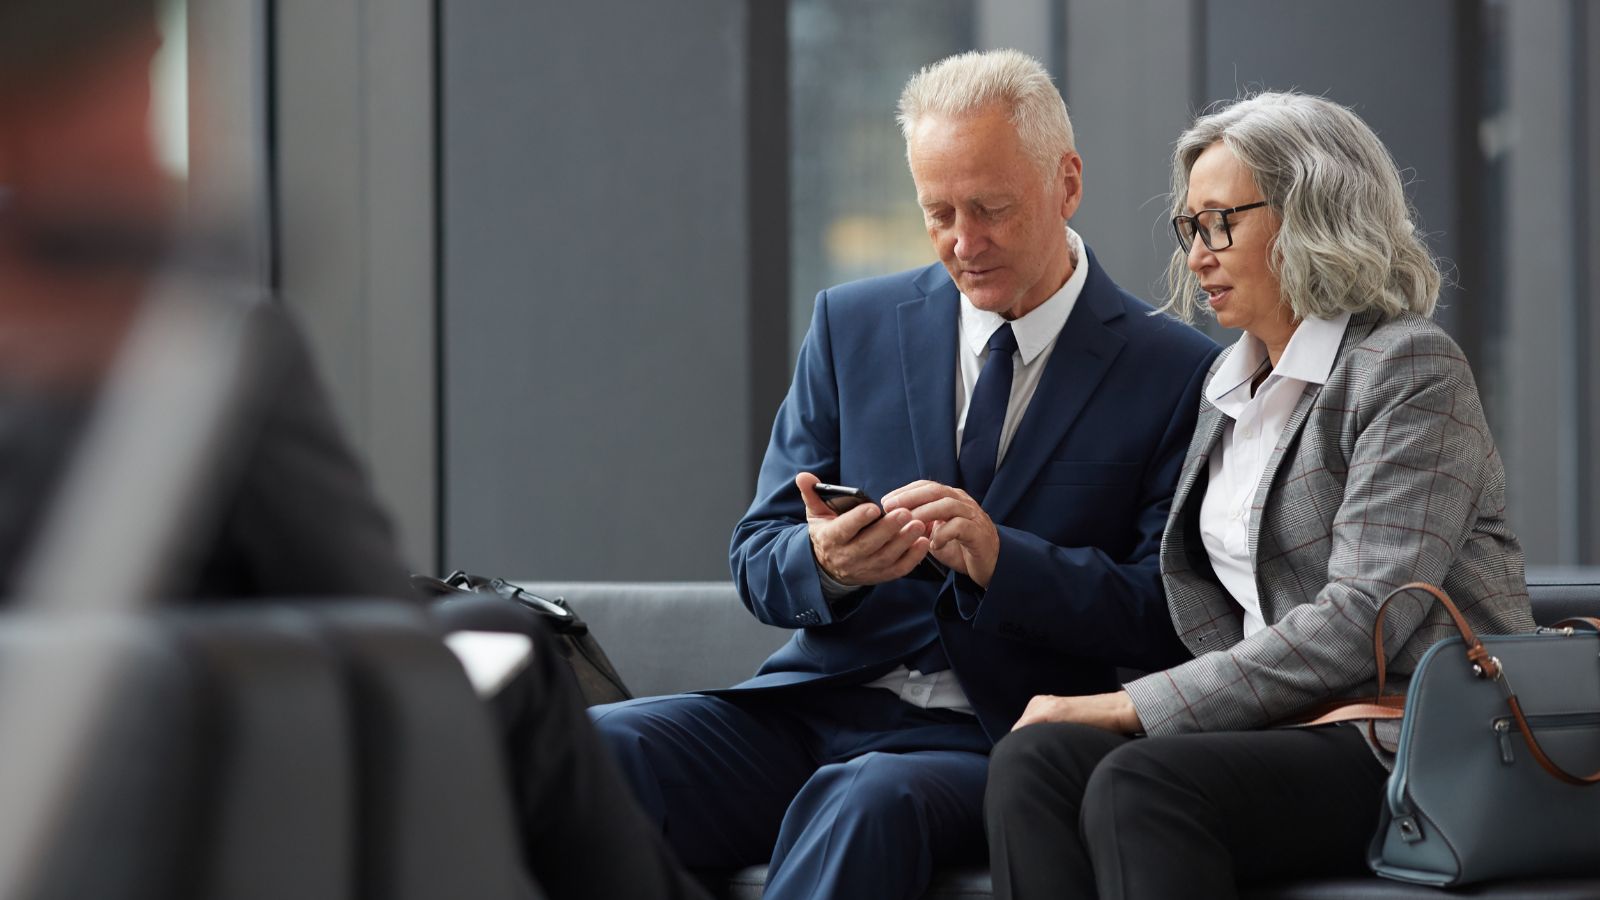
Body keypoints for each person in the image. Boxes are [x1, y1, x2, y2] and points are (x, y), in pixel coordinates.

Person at [0, 3, 709, 898]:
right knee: (505, 643)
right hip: (219, 760)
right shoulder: (193, 351)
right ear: (46, 105)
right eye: (145, 81)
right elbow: (375, 621)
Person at [591, 50, 1218, 900]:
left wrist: (1005, 562)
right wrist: (827, 563)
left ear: (1066, 183)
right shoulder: (850, 325)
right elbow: (757, 556)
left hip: (998, 739)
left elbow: (1168, 617)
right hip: (815, 708)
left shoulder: (1177, 371)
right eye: (938, 213)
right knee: (594, 750)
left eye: (991, 209)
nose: (966, 242)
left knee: (866, 797)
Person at [982, 91, 1538, 900]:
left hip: (1399, 737)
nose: (1196, 256)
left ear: (1313, 213)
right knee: (1032, 761)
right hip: (1275, 727)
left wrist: (1130, 705)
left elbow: (1362, 620)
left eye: (1219, 222)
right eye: (1189, 228)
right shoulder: (1225, 384)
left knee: (1142, 782)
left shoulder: (1408, 369)